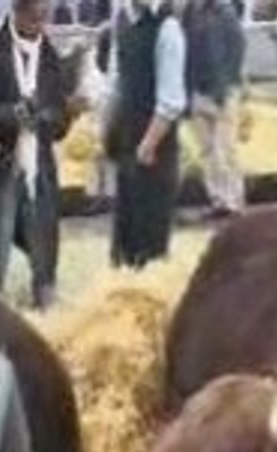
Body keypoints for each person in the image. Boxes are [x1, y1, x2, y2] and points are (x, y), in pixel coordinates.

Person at [0, 0, 74, 308]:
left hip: (38, 165)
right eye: (34, 17)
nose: (39, 25)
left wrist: (48, 118)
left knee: (43, 241)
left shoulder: (50, 57)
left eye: (44, 17)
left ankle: (45, 296)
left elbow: (61, 119)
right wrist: (12, 115)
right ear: (18, 12)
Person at [107, 0, 187, 268]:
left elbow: (171, 101)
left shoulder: (167, 27)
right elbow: (116, 84)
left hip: (154, 145)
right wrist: (106, 131)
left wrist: (148, 144)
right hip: (126, 137)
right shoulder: (122, 22)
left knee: (150, 233)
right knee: (126, 230)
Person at [185, 0, 246, 219]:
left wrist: (226, 84)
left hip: (223, 91)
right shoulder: (190, 12)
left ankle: (234, 201)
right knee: (207, 151)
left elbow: (237, 49)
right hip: (198, 89)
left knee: (225, 149)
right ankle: (218, 199)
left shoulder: (225, 11)